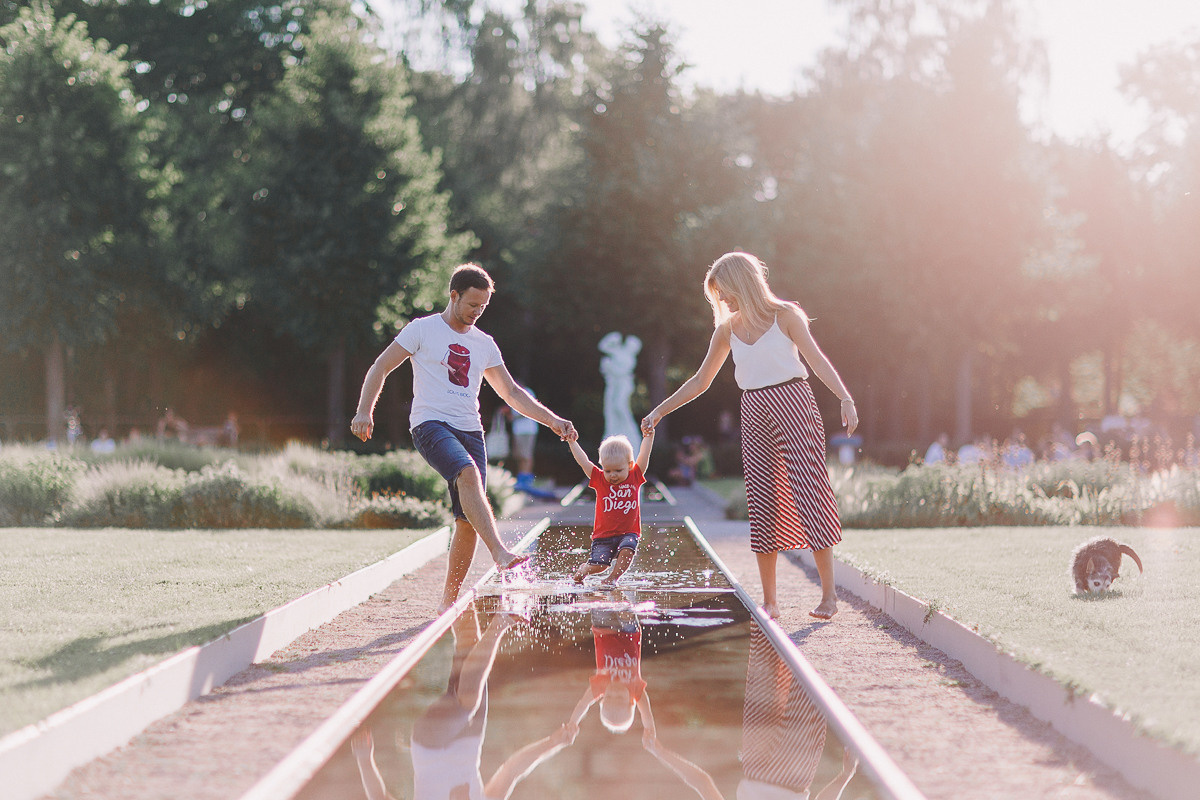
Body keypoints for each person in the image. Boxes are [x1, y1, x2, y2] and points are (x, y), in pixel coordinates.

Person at [641, 252, 858, 621]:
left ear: (742, 282)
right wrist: (660, 410)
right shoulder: (727, 329)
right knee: (762, 500)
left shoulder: (786, 316)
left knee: (810, 494)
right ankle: (770, 602)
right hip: (755, 411)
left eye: (724, 292)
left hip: (795, 402)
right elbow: (699, 382)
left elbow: (817, 360)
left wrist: (845, 398)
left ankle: (829, 596)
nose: (722, 300)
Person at [351, 263, 578, 611]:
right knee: (467, 474)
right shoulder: (422, 330)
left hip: (471, 431)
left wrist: (552, 420)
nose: (477, 312)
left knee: (467, 522)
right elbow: (380, 366)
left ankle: (448, 603)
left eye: (483, 307)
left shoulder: (484, 343)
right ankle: (500, 553)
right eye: (472, 304)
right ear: (453, 295)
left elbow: (512, 393)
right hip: (430, 425)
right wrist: (365, 410)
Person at [567, 429, 655, 587]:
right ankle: (584, 569)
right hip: (603, 535)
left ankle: (613, 578)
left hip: (629, 532)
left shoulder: (635, 476)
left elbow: (644, 455)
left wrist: (649, 436)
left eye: (618, 471)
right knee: (600, 566)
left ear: (630, 465)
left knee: (628, 550)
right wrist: (572, 442)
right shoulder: (600, 479)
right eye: (608, 471)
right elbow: (584, 461)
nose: (613, 475)